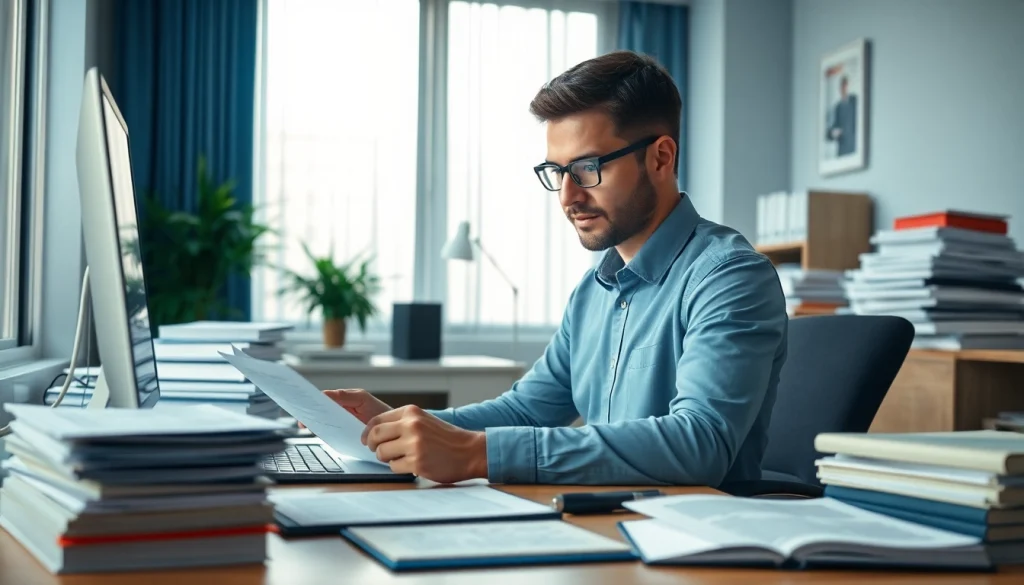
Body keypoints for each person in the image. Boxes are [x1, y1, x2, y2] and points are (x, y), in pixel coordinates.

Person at [325, 51, 788, 487]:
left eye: (587, 168)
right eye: (556, 171)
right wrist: (394, 425)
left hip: (696, 545)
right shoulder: (593, 291)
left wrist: (478, 454)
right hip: (601, 522)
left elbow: (700, 443)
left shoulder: (729, 278)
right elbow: (528, 410)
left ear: (661, 157)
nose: (567, 196)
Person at [826, 75, 857, 157]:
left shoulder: (855, 102)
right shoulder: (837, 107)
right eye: (842, 86)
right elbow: (830, 132)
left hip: (854, 149)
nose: (843, 89)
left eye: (845, 85)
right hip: (843, 151)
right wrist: (833, 133)